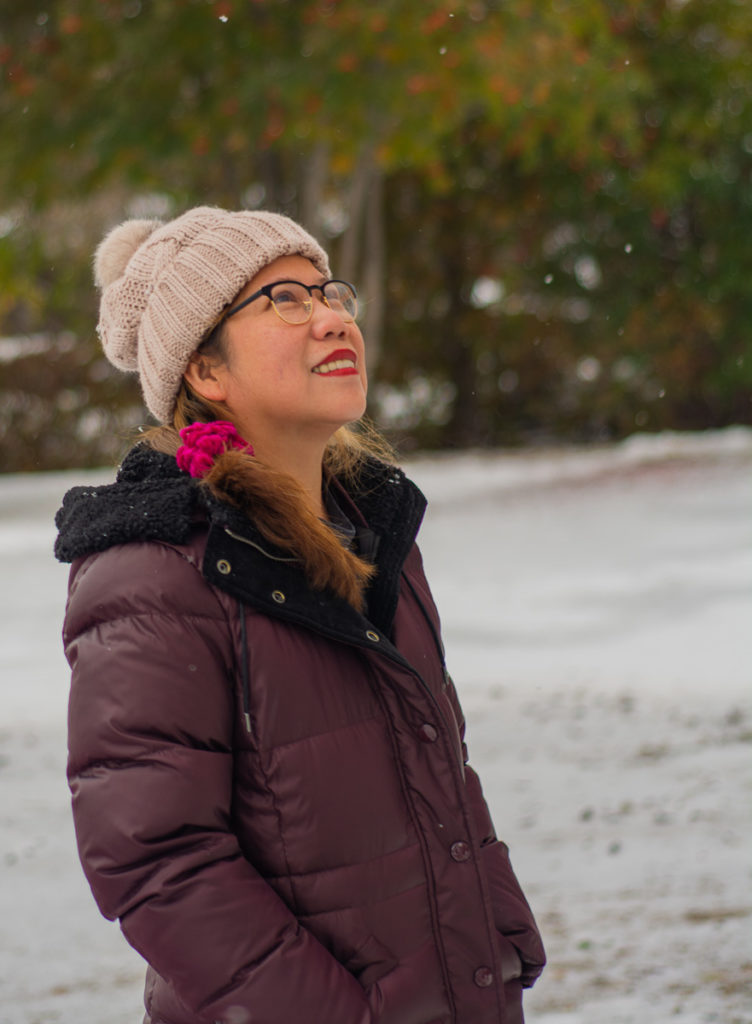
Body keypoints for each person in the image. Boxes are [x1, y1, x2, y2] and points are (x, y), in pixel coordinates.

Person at [55, 206, 545, 1024]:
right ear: (205, 372)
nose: (329, 318)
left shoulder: (374, 531)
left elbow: (437, 764)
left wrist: (497, 928)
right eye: (284, 300)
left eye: (329, 291)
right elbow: (158, 864)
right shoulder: (153, 570)